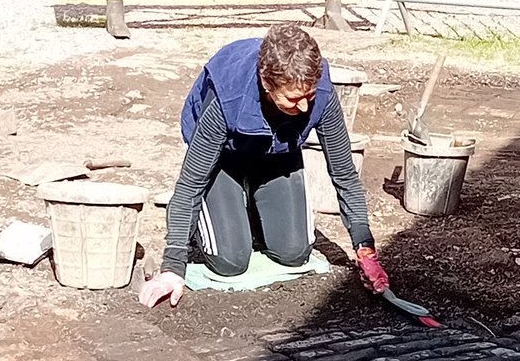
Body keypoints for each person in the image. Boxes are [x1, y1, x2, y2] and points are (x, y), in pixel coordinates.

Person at [139, 24, 390, 308]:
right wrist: (173, 266)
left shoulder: (321, 90)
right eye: (294, 99)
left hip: (278, 151)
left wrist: (365, 249)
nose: (306, 108)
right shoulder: (226, 99)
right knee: (230, 261)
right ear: (266, 84)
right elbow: (189, 186)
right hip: (224, 158)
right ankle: (222, 216)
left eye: (309, 97)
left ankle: (254, 210)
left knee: (295, 252)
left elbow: (344, 174)